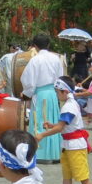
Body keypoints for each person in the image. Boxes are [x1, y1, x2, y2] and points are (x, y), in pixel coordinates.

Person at [37, 77, 92, 184]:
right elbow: (63, 126)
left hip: (75, 146)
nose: (56, 95)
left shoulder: (69, 106)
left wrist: (42, 135)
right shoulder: (69, 104)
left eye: (57, 92)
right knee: (67, 174)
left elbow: (60, 128)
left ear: (64, 91)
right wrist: (52, 125)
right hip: (68, 145)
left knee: (83, 176)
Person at [23, 33, 67, 163]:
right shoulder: (56, 58)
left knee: (40, 120)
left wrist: (28, 93)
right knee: (52, 119)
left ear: (35, 46)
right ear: (48, 44)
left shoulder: (35, 60)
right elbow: (60, 77)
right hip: (53, 93)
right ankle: (54, 153)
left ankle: (40, 153)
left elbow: (28, 80)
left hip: (41, 93)